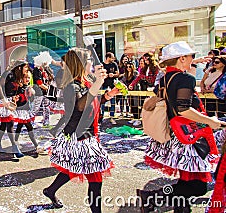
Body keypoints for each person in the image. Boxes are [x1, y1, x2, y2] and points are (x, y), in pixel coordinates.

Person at [137, 41, 226, 213]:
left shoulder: (165, 78)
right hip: (189, 136)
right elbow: (183, 109)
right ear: (182, 58)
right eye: (190, 56)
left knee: (186, 180)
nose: (193, 58)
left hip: (175, 135)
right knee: (198, 187)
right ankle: (153, 197)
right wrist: (210, 122)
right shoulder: (186, 79)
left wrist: (192, 63)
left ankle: (179, 207)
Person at [42, 48, 118, 213]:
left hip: (85, 135)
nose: (91, 62)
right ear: (81, 63)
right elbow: (81, 105)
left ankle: (50, 190)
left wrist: (108, 95)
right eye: (89, 59)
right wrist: (98, 83)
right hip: (79, 138)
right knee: (95, 178)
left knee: (74, 169)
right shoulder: (71, 86)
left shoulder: (85, 80)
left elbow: (93, 99)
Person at [0, 60, 29, 158]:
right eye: (25, 67)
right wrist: (3, 100)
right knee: (10, 123)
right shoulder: (8, 74)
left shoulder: (20, 78)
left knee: (5, 123)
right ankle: (14, 147)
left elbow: (17, 91)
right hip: (1, 99)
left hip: (9, 101)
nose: (27, 69)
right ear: (19, 67)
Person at [101, 52, 119, 125]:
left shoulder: (114, 64)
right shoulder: (102, 65)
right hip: (103, 85)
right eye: (112, 57)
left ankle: (112, 117)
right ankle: (101, 117)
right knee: (102, 102)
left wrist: (113, 75)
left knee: (113, 102)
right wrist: (105, 75)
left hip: (112, 85)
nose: (113, 59)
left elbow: (118, 74)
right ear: (108, 57)